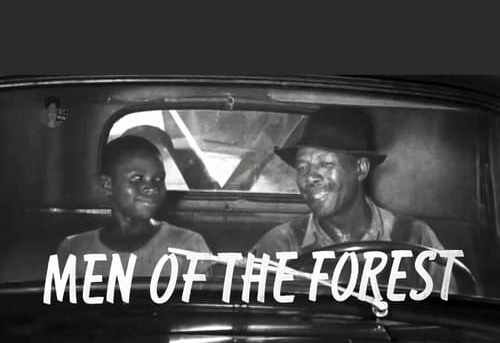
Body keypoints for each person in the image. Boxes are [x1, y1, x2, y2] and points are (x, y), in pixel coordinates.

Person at [251, 107, 457, 292]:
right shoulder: (281, 245)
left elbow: (449, 315)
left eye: (326, 164)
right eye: (303, 167)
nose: (310, 177)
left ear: (360, 169)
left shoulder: (415, 239)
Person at [57, 135, 213, 278]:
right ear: (108, 184)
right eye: (137, 178)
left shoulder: (188, 245)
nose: (152, 188)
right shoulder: (74, 249)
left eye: (159, 178)